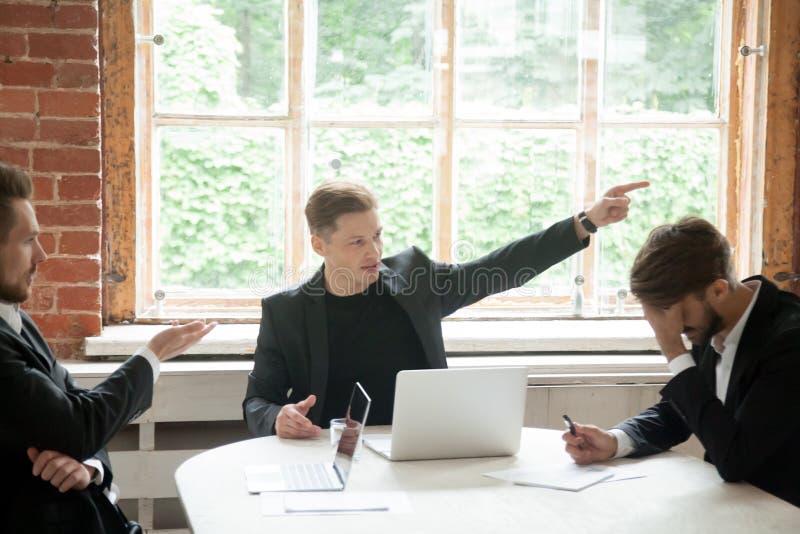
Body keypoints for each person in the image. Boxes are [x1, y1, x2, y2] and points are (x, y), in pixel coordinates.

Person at [244, 179, 649, 439]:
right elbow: (259, 400)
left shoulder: (415, 279)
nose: (374, 252)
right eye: (357, 242)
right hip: (329, 456)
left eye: (377, 237)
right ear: (320, 245)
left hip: (420, 453)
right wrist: (279, 417)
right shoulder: (286, 312)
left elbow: (496, 269)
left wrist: (584, 223)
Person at [0, 161, 217, 534]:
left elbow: (81, 416)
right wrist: (152, 355)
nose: (41, 256)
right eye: (27, 240)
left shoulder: (15, 318)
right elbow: (80, 426)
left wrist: (88, 467)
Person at [562, 216, 800, 507]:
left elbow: (736, 460)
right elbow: (679, 413)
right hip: (738, 509)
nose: (672, 327)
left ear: (718, 289)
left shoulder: (789, 341)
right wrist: (615, 441)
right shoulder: (715, 322)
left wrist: (673, 349)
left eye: (677, 313)